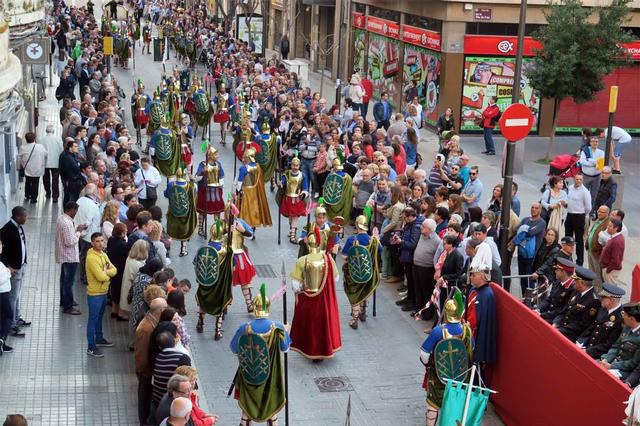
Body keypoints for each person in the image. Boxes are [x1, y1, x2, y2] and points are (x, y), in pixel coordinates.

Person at [230, 284, 291, 425]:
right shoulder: (277, 327)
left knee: (247, 406)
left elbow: (234, 348)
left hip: (249, 375)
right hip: (271, 376)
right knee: (271, 406)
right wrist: (286, 330)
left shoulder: (244, 328)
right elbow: (285, 348)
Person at [419, 297, 473, 426]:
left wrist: (429, 365)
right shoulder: (467, 330)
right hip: (461, 376)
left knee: (433, 404)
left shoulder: (438, 331)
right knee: (457, 404)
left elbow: (424, 353)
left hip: (438, 376)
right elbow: (471, 351)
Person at [290, 228, 341, 360]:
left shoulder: (301, 260)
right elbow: (336, 279)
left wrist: (303, 286)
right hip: (324, 300)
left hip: (307, 300)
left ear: (308, 244)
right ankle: (324, 349)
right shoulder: (328, 259)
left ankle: (310, 349)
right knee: (323, 325)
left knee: (309, 327)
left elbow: (295, 286)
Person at [194, 221, 233, 341]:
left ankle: (200, 323)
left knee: (203, 303)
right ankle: (217, 331)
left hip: (204, 284)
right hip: (218, 285)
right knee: (219, 306)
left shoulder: (204, 249)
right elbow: (233, 265)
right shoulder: (225, 251)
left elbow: (195, 263)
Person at [341, 215, 381, 330]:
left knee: (354, 294)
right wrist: (377, 240)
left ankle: (355, 319)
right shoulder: (373, 240)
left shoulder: (351, 239)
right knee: (364, 291)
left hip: (353, 274)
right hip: (368, 273)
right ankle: (363, 312)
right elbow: (379, 252)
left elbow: (344, 255)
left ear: (357, 225)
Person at [135, 297, 167, 425]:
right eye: (165, 307)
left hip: (149, 372)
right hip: (146, 373)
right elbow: (141, 354)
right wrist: (146, 373)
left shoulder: (153, 322)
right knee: (144, 400)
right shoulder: (145, 329)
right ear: (160, 310)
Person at [85, 232, 117, 358]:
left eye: (102, 240)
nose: (100, 243)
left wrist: (105, 272)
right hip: (95, 294)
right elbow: (101, 277)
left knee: (99, 318)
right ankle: (91, 347)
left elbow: (114, 270)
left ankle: (99, 338)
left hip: (103, 292)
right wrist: (107, 273)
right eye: (97, 241)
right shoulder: (92, 258)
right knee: (93, 320)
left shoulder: (103, 254)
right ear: (92, 243)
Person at [0, 207, 30, 338]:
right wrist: (8, 267)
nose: (26, 218)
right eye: (24, 216)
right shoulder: (7, 230)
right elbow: (2, 252)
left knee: (17, 294)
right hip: (13, 269)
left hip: (20, 266)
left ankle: (17, 317)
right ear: (18, 217)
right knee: (13, 296)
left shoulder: (19, 227)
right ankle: (11, 323)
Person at [55, 202, 88, 315]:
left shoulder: (62, 219)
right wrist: (78, 231)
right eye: (76, 211)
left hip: (65, 255)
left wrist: (77, 229)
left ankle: (64, 300)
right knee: (68, 282)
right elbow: (70, 241)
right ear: (72, 210)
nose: (76, 213)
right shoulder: (66, 223)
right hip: (69, 256)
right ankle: (68, 306)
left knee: (64, 280)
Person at [577, 283, 625, 359]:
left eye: (603, 297)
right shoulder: (603, 309)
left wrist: (587, 351)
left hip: (598, 355)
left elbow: (608, 344)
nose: (601, 299)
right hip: (586, 347)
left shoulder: (620, 318)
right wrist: (580, 342)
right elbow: (592, 327)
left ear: (611, 300)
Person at [553, 265, 600, 342]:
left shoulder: (594, 301)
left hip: (573, 334)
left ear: (582, 283)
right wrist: (556, 323)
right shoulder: (576, 291)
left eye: (576, 281)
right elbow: (565, 311)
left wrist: (561, 329)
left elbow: (583, 324)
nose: (573, 282)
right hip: (562, 327)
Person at [510, 203, 547, 296]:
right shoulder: (525, 220)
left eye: (536, 208)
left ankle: (531, 300)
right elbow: (517, 230)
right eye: (532, 207)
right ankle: (524, 298)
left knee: (530, 279)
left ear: (540, 210)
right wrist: (524, 231)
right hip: (521, 253)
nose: (534, 209)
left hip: (533, 256)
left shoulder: (541, 222)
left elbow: (531, 232)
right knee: (522, 278)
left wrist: (523, 231)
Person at [599, 302, 640, 383]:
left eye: (624, 315)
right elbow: (616, 346)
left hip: (624, 371)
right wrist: (605, 359)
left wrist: (612, 366)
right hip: (611, 363)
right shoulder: (627, 328)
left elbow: (633, 363)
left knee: (603, 376)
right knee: (592, 364)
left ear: (631, 318)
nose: (622, 317)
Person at [151, 329, 192, 408]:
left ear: (159, 347)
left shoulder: (158, 357)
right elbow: (190, 378)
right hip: (173, 402)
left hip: (157, 399)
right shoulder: (182, 357)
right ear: (174, 342)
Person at [235, 148, 272, 234]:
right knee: (254, 209)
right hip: (255, 192)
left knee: (245, 210)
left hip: (246, 192)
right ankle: (253, 227)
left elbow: (239, 182)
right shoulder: (258, 167)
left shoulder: (243, 168)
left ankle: (246, 229)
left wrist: (237, 191)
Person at [394, 208, 424, 313]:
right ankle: (409, 298)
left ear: (411, 216)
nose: (404, 219)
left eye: (405, 217)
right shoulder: (409, 225)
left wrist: (401, 242)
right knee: (409, 280)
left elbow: (413, 244)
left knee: (412, 281)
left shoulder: (416, 228)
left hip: (411, 257)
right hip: (406, 256)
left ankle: (412, 301)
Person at [465, 263, 496, 363]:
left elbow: (475, 320)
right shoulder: (474, 289)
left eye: (473, 275)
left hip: (474, 334)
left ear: (482, 276)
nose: (470, 277)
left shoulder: (486, 295)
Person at [412, 219, 440, 320]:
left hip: (427, 269)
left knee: (426, 292)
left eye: (423, 226)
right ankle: (418, 310)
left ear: (430, 229)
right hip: (416, 266)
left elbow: (438, 256)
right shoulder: (422, 235)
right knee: (418, 290)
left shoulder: (437, 241)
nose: (421, 227)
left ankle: (427, 314)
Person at [166, 168, 198, 257]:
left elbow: (166, 194)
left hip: (174, 211)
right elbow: (195, 196)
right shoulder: (192, 186)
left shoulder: (170, 184)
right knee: (185, 230)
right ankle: (183, 250)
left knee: (172, 229)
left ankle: (168, 246)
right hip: (186, 213)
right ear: (185, 175)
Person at [195, 146, 225, 237]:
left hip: (216, 191)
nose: (217, 156)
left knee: (217, 211)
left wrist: (220, 186)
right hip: (205, 190)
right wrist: (203, 172)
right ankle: (200, 228)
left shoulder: (218, 164)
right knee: (202, 211)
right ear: (211, 156)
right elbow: (197, 178)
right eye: (215, 154)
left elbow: (221, 176)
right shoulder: (203, 164)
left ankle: (217, 229)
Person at [75, 183, 101, 286]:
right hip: (89, 236)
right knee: (87, 258)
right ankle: (85, 277)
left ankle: (83, 276)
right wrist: (85, 233)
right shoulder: (92, 205)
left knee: (83, 256)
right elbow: (88, 222)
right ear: (94, 192)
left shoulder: (80, 200)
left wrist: (80, 233)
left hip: (83, 235)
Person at [278, 157, 309, 244]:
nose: (295, 167)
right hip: (288, 198)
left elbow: (305, 187)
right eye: (293, 165)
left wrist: (304, 193)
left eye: (297, 165)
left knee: (295, 216)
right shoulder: (286, 174)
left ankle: (292, 236)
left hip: (297, 199)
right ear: (291, 165)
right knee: (290, 217)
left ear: (299, 166)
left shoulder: (303, 175)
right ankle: (292, 229)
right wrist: (280, 184)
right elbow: (283, 183)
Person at [538, 257, 576, 324]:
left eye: (557, 270)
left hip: (557, 319)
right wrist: (538, 309)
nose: (555, 271)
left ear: (563, 272)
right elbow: (549, 299)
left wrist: (541, 315)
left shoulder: (572, 289)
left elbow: (561, 310)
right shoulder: (558, 282)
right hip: (549, 314)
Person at [565, 174, 591, 266]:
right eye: (577, 179)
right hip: (569, 215)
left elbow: (588, 207)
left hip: (579, 216)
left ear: (582, 180)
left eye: (580, 179)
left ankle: (579, 262)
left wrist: (582, 214)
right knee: (568, 237)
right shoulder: (570, 188)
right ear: (574, 179)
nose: (578, 181)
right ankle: (567, 257)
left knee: (579, 239)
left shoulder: (585, 192)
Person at [106, 223, 129, 320]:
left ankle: (114, 310)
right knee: (120, 291)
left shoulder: (111, 240)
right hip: (121, 270)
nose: (127, 231)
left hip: (112, 268)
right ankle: (121, 313)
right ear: (121, 233)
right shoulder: (123, 245)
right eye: (125, 230)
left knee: (114, 288)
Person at [18, 132, 47, 204]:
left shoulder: (23, 148)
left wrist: (18, 167)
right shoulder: (40, 147)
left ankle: (27, 195)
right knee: (35, 183)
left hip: (27, 168)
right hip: (37, 168)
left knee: (27, 181)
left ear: (26, 139)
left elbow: (19, 158)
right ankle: (33, 198)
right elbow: (46, 154)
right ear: (34, 138)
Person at [586, 205, 610, 289]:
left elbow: (606, 240)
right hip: (591, 250)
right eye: (598, 211)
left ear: (607, 213)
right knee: (591, 270)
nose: (599, 213)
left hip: (597, 253)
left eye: (602, 212)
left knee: (597, 274)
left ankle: (598, 291)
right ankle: (591, 288)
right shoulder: (598, 220)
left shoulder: (607, 224)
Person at [40, 124, 63, 202]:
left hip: (45, 162)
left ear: (46, 131)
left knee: (46, 179)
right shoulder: (58, 139)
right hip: (55, 162)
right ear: (53, 131)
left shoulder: (41, 139)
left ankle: (48, 193)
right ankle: (55, 196)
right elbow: (61, 150)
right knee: (55, 180)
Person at [579, 136, 604, 206]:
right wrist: (595, 162)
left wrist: (589, 160)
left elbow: (600, 164)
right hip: (586, 176)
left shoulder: (601, 152)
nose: (595, 143)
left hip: (597, 177)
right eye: (593, 141)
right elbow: (582, 161)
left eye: (596, 141)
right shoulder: (585, 151)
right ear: (590, 143)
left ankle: (591, 210)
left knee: (594, 195)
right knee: (583, 194)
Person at [600, 219, 625, 286]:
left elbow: (615, 260)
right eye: (608, 225)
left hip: (611, 271)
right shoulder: (615, 237)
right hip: (609, 269)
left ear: (616, 228)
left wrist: (607, 271)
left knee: (609, 290)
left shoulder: (617, 241)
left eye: (610, 226)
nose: (607, 227)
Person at [0, 240, 13, 354]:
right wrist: (8, 273)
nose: (1, 247)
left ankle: (2, 344)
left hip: (4, 293)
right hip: (2, 294)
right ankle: (1, 339)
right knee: (8, 317)